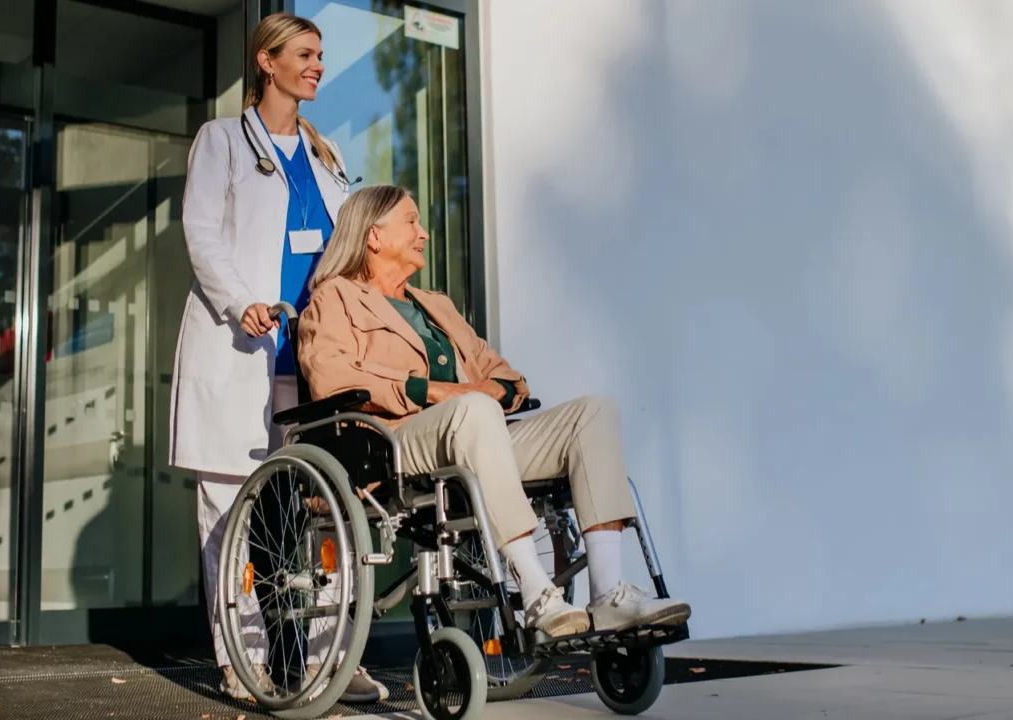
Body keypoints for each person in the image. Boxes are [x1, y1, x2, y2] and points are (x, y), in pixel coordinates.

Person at [297, 185, 692, 637]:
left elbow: (507, 379)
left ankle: (607, 593)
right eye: (411, 222)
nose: (423, 234)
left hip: (475, 433)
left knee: (593, 413)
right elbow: (331, 376)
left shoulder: (435, 306)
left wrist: (491, 391)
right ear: (374, 237)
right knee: (473, 410)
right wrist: (434, 392)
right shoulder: (335, 298)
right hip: (394, 442)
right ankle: (539, 594)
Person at [170, 12, 386, 703]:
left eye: (322, 54)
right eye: (305, 53)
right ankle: (244, 658)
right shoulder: (223, 141)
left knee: (322, 510)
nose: (318, 64)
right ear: (267, 62)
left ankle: (329, 659)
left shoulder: (327, 160)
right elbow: (202, 234)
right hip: (242, 347)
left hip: (308, 361)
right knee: (232, 511)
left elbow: (346, 256)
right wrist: (242, 303)